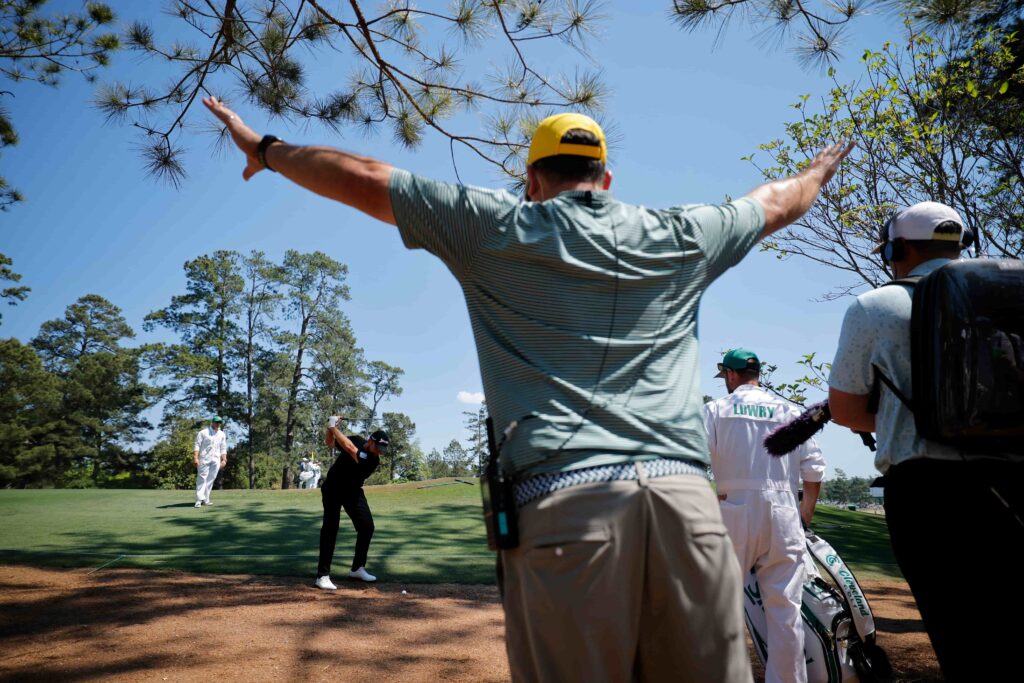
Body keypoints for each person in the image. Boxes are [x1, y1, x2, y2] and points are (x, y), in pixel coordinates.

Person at [204, 95, 852, 681]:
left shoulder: (495, 225)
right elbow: (776, 201)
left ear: (533, 180)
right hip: (689, 517)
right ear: (606, 179)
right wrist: (818, 172)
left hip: (567, 507)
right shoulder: (682, 233)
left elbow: (365, 177)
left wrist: (265, 148)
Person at [828, 201, 1024, 681]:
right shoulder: (1009, 299)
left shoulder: (875, 307)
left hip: (929, 491)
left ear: (897, 249)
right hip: (1014, 481)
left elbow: (845, 410)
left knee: (960, 634)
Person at [704, 348, 825, 683]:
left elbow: (695, 458)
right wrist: (805, 514)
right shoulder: (789, 411)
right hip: (783, 512)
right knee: (786, 611)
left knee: (719, 607)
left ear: (730, 375)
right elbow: (814, 469)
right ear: (757, 375)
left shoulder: (716, 410)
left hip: (732, 509)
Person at [315, 417, 389, 589]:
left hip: (353, 492)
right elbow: (330, 443)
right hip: (333, 488)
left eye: (382, 450)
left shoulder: (372, 460)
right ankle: (322, 576)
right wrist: (330, 428)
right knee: (330, 528)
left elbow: (349, 448)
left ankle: (357, 568)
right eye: (378, 448)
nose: (379, 452)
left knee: (367, 527)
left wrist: (333, 426)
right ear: (370, 441)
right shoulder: (356, 439)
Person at [193, 416, 228, 508]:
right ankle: (198, 500)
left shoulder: (222, 434)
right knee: (202, 478)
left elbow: (223, 448)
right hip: (204, 459)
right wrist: (196, 458)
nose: (218, 424)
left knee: (211, 479)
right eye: (216, 422)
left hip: (216, 459)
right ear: (212, 422)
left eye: (219, 422)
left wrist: (224, 459)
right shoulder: (203, 432)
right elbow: (197, 445)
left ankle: (206, 499)